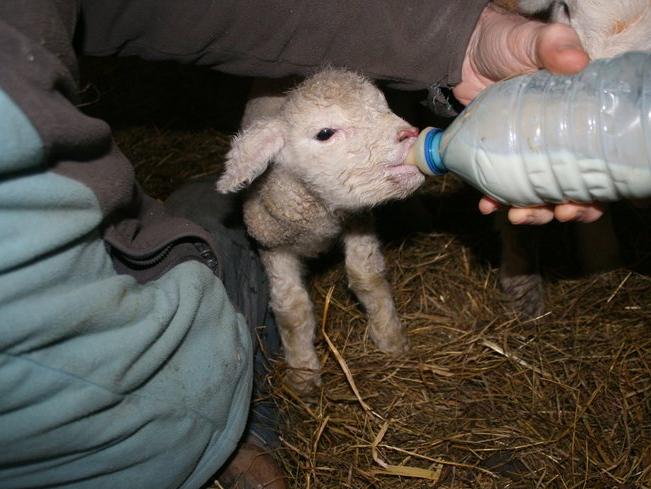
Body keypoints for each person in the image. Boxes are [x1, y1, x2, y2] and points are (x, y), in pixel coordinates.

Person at [0, 1, 592, 488]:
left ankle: (386, 334)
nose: (406, 132)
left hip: (170, 371)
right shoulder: (271, 157)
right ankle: (300, 364)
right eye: (330, 133)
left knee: (358, 249)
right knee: (273, 266)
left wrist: (461, 36)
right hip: (110, 417)